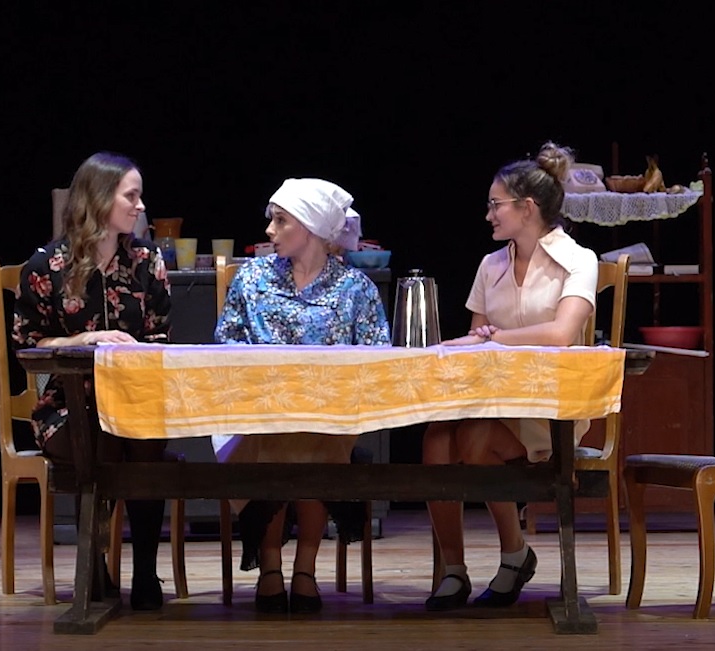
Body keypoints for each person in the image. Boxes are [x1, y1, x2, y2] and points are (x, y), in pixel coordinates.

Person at [423, 142, 599, 611]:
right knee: (436, 438)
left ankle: (514, 554)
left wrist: (496, 337)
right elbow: (477, 339)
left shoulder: (578, 260)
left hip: (550, 409)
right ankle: (454, 570)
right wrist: (466, 343)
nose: (488, 215)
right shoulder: (491, 265)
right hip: (493, 399)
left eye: (495, 205)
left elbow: (561, 333)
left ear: (527, 208)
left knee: (474, 437)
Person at [212, 177, 390, 614]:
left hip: (329, 420)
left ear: (310, 228)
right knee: (278, 438)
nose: (269, 231)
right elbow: (224, 346)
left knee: (311, 438)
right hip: (257, 417)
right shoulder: (251, 279)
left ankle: (304, 567)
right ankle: (272, 565)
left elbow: (378, 358)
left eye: (280, 221)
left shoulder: (355, 288)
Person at [13, 151, 172, 611]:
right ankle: (94, 568)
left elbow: (160, 336)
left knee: (144, 437)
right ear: (100, 199)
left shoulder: (146, 260)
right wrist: (84, 338)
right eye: (131, 196)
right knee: (99, 440)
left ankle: (145, 571)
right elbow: (28, 345)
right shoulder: (46, 267)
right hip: (68, 407)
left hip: (132, 399)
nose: (140, 206)